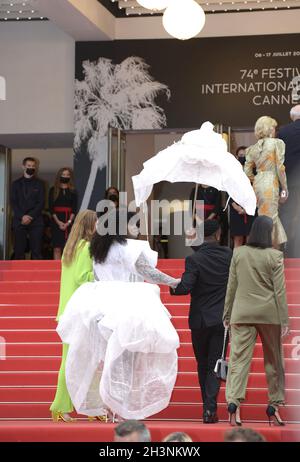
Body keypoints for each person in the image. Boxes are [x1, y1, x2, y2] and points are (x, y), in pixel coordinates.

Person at [56, 211, 180, 421]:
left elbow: (94, 276)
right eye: (134, 225)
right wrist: (173, 282)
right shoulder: (128, 248)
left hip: (100, 304)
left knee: (107, 358)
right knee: (127, 357)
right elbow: (148, 272)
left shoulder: (97, 249)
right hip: (127, 303)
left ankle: (108, 405)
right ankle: (120, 407)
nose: (136, 229)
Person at [223, 216, 289, 427]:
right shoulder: (275, 256)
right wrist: (285, 320)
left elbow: (231, 286)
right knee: (274, 361)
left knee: (238, 361)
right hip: (269, 315)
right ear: (269, 233)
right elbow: (279, 291)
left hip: (241, 314)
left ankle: (234, 405)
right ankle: (274, 406)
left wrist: (226, 314)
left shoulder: (239, 253)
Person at [170, 220, 232, 424]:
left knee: (202, 364)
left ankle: (207, 406)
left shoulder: (194, 259)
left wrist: (172, 286)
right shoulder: (229, 256)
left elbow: (186, 287)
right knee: (215, 364)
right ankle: (209, 409)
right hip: (222, 320)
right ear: (218, 233)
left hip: (199, 320)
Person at [50, 209, 97, 423]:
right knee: (85, 360)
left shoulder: (70, 248)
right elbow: (82, 277)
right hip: (79, 312)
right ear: (90, 225)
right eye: (95, 223)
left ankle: (65, 407)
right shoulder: (86, 247)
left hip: (67, 311)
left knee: (70, 361)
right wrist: (100, 275)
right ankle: (69, 407)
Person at [244, 116, 288, 248]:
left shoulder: (251, 149)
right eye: (274, 127)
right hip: (271, 181)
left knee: (264, 217)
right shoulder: (277, 143)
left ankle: (264, 251)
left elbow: (247, 172)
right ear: (269, 129)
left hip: (258, 184)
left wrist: (256, 179)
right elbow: (280, 168)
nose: (275, 130)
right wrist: (285, 188)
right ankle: (273, 253)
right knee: (271, 218)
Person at [11, 157, 45, 259]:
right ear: (23, 167)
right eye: (29, 166)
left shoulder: (40, 184)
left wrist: (30, 216)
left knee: (36, 251)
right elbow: (13, 202)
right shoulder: (15, 184)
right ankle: (18, 274)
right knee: (18, 250)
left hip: (36, 221)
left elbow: (41, 203)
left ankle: (37, 274)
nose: (31, 168)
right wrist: (22, 216)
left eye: (33, 166)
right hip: (19, 220)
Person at [278, 105, 300, 257]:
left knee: (287, 214)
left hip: (289, 181)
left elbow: (279, 159)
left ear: (292, 117)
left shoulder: (283, 132)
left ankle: (286, 249)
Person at [230, 147, 256, 248]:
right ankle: (237, 262)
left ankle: (250, 262)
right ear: (236, 157)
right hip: (236, 209)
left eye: (245, 156)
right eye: (240, 156)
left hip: (251, 209)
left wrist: (247, 208)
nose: (243, 158)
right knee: (238, 239)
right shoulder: (232, 172)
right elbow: (229, 191)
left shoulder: (254, 171)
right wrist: (237, 207)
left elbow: (256, 190)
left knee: (251, 239)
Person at [49, 167, 77, 260]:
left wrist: (68, 222)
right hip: (56, 221)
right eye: (63, 174)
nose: (65, 176)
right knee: (57, 248)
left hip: (69, 221)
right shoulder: (53, 190)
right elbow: (51, 209)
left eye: (67, 175)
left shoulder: (73, 191)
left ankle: (66, 270)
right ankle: (56, 269)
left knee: (68, 247)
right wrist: (58, 222)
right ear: (59, 176)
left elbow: (74, 209)